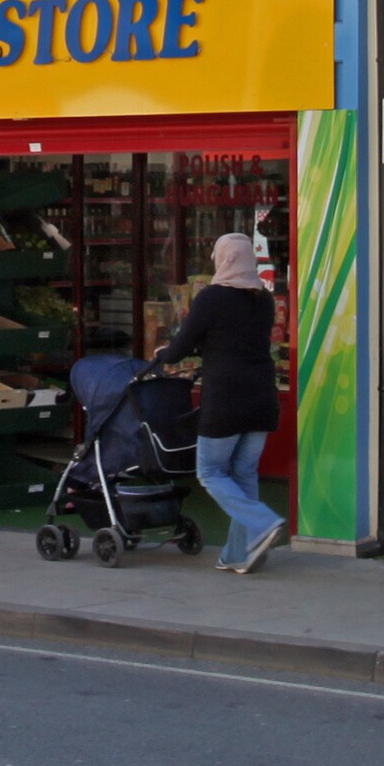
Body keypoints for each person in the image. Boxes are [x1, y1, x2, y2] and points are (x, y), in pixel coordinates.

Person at [156, 231, 285, 575]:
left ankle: (262, 522)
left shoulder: (212, 297)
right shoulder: (264, 300)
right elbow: (235, 339)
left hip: (226, 397)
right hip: (262, 396)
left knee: (210, 472)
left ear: (222, 259)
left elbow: (184, 343)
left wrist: (165, 355)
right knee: (244, 473)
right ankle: (238, 554)